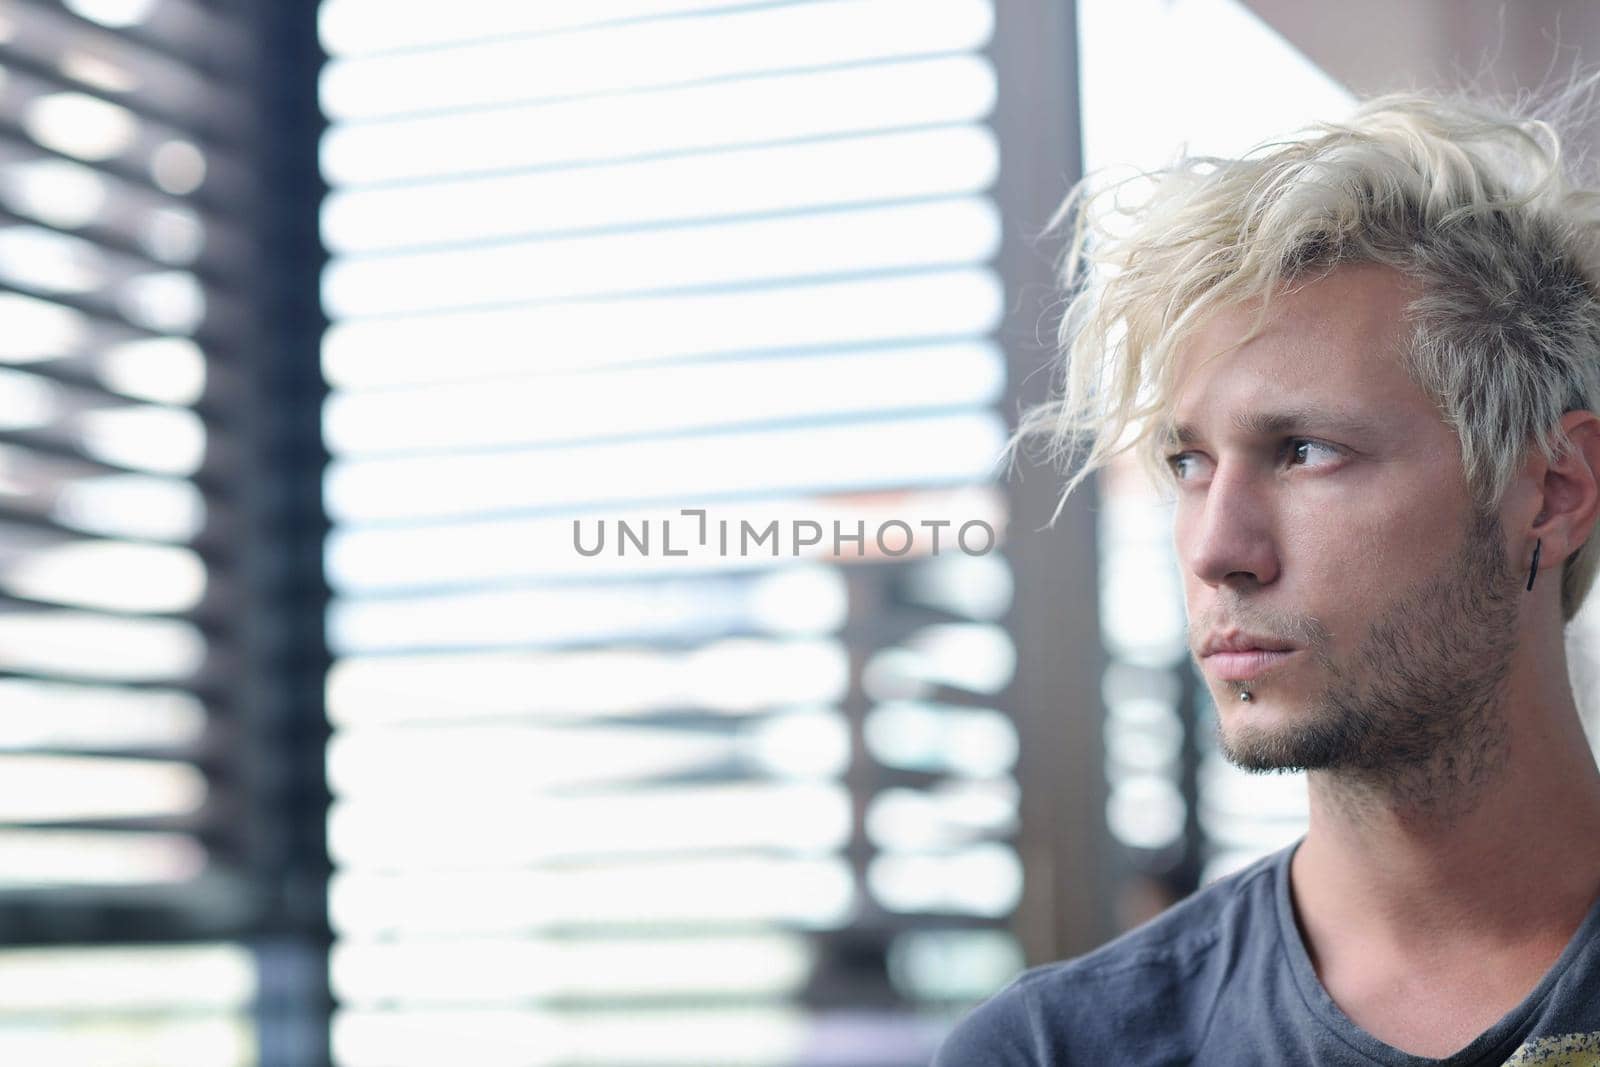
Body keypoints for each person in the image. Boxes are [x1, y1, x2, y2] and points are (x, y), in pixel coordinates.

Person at [934, 86, 1600, 1065]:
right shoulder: (1052, 1049)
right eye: (1187, 463)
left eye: (1304, 450)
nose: (1214, 548)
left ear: (1550, 490)